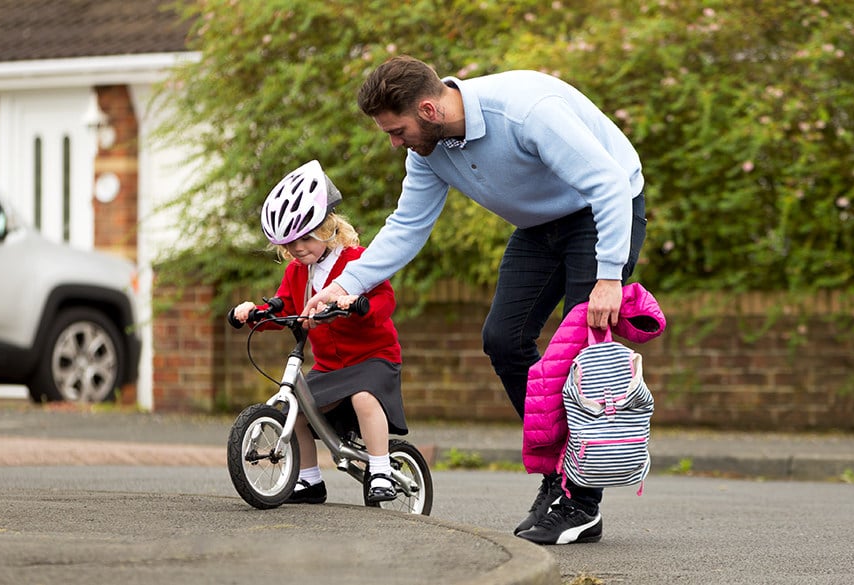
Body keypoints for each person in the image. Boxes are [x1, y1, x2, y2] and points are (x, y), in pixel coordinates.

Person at [302, 56, 647, 545]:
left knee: (581, 357)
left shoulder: (528, 111)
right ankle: (559, 472)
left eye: (397, 130)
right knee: (503, 341)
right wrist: (345, 285)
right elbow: (408, 226)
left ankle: (581, 501)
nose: (395, 142)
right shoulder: (428, 151)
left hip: (602, 212)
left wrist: (608, 275)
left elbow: (609, 182)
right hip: (537, 228)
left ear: (428, 109)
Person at [234, 159, 407, 505]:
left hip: (373, 358)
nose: (298, 250)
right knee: (295, 405)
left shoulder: (357, 261)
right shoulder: (299, 272)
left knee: (363, 397)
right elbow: (283, 304)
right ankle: (309, 480)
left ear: (328, 227)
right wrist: (255, 312)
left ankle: (381, 468)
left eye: (305, 239)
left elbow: (385, 300)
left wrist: (359, 304)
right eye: (290, 244)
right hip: (330, 366)